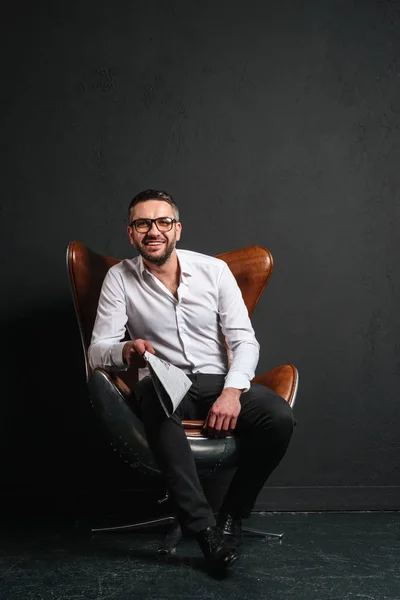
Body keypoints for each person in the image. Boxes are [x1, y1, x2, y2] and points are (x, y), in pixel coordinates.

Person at [88, 189, 294, 572]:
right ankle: (206, 533)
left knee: (279, 419)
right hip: (166, 382)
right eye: (143, 223)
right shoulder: (120, 277)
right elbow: (97, 348)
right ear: (131, 233)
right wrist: (126, 349)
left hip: (219, 379)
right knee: (155, 398)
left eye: (163, 222)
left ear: (177, 229)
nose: (154, 231)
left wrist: (232, 391)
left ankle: (232, 513)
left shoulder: (213, 271)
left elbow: (243, 340)